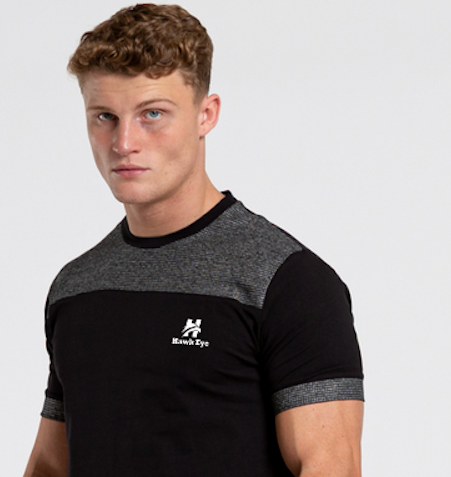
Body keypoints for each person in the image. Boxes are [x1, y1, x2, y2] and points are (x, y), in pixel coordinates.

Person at [23, 4, 364, 477]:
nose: (124, 142)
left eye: (152, 114)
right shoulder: (76, 287)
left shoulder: (288, 282)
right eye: (105, 116)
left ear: (206, 114)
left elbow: (331, 467)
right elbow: (49, 466)